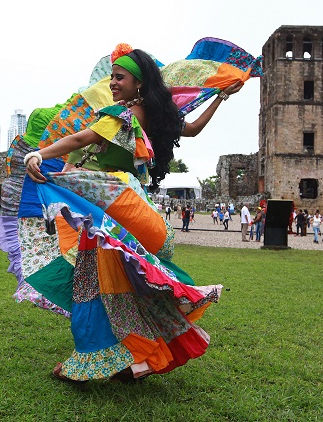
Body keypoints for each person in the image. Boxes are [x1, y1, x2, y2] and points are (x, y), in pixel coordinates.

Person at [21, 43, 245, 382]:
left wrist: (38, 154)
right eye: (111, 77)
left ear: (138, 83)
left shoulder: (123, 117)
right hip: (133, 204)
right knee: (121, 284)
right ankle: (136, 359)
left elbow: (81, 138)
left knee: (95, 284)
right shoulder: (152, 117)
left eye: (119, 77)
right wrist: (220, 98)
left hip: (114, 203)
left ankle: (101, 360)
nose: (112, 83)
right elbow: (194, 129)